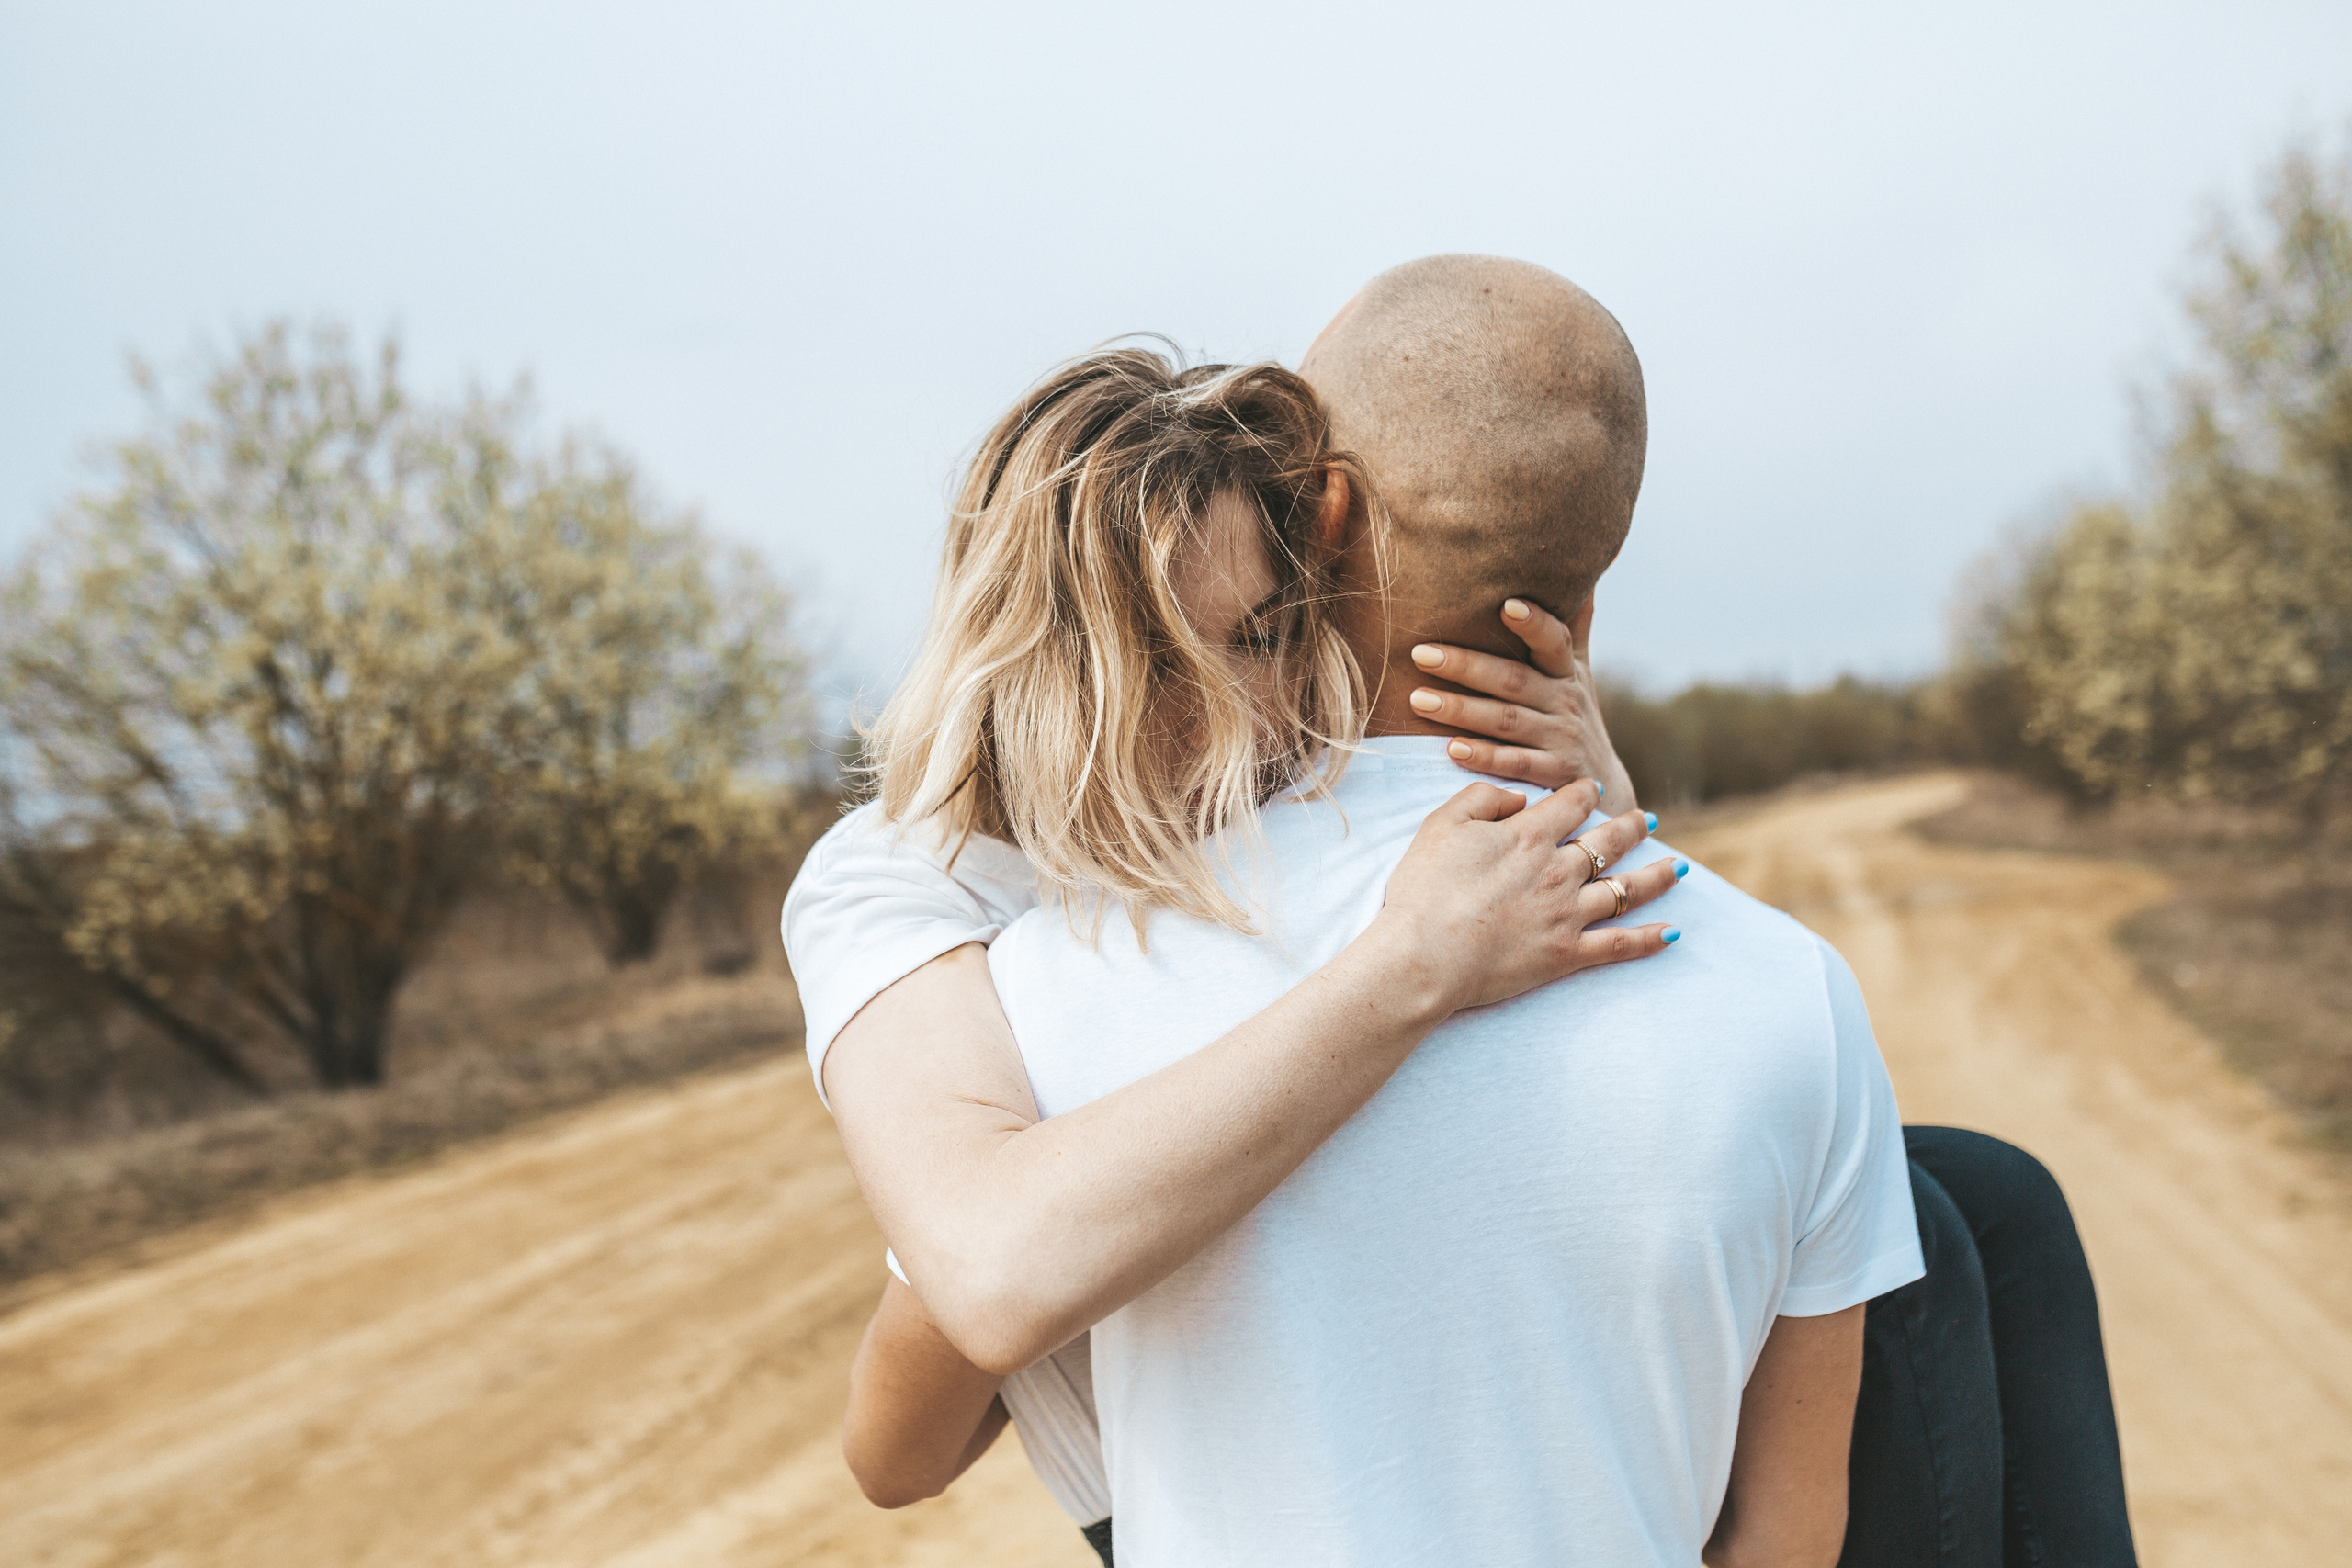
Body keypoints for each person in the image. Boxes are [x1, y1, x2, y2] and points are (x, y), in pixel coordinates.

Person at [791, 259, 2138, 1566]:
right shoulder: (937, 908)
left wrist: (1593, 813)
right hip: (1150, 1444)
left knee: (1977, 1196)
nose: (1251, 713)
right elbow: (949, 1340)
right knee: (1907, 1215)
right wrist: (1411, 963)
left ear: (1325, 542)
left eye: (1272, 629)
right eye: (1198, 653)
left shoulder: (1138, 924)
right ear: (1050, 676)